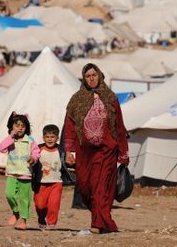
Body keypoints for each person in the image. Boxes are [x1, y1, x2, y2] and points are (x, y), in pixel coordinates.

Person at [64, 63, 129, 234]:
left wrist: (123, 152)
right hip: (85, 153)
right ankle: (102, 219)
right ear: (84, 79)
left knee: (102, 187)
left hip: (107, 150)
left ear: (99, 75)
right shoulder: (76, 100)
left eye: (94, 75)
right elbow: (70, 126)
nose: (91, 78)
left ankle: (99, 222)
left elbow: (119, 126)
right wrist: (69, 150)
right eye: (88, 76)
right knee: (86, 187)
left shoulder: (110, 97)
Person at [0, 112, 40, 230]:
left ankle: (24, 221)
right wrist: (10, 137)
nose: (20, 128)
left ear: (26, 128)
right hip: (12, 172)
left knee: (24, 198)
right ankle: (16, 212)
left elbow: (36, 152)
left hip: (25, 174)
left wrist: (33, 158)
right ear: (11, 127)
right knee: (9, 194)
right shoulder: (10, 140)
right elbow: (0, 148)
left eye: (23, 126)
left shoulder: (30, 140)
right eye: (17, 125)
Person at [33, 124, 67, 229]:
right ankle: (41, 218)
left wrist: (71, 163)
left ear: (57, 138)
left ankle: (52, 223)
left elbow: (67, 163)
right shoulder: (38, 149)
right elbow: (33, 160)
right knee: (40, 205)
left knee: (54, 204)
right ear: (43, 138)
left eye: (52, 137)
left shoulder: (61, 150)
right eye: (47, 137)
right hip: (40, 183)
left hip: (56, 183)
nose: (50, 139)